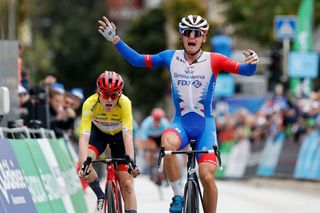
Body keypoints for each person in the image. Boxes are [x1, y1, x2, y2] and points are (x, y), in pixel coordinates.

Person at [98, 14, 259, 213]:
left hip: (204, 127)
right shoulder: (170, 57)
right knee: (168, 145)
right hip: (180, 123)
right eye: (188, 33)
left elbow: (246, 71)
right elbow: (137, 60)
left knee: (207, 177)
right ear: (182, 36)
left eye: (197, 34)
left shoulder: (214, 60)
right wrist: (116, 40)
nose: (193, 37)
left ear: (203, 38)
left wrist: (252, 63)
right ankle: (177, 196)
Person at [78, 71, 140, 213]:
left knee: (128, 185)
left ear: (120, 94)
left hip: (120, 138)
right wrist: (83, 162)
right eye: (106, 95)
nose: (110, 100)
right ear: (98, 92)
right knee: (85, 163)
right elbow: (84, 135)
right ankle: (100, 195)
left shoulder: (125, 103)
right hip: (99, 136)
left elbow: (128, 134)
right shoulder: (89, 103)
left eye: (114, 95)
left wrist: (130, 159)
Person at [136, 108, 169, 181]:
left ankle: (165, 171)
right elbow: (143, 136)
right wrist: (144, 149)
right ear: (153, 118)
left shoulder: (164, 122)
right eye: (156, 119)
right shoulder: (147, 122)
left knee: (166, 149)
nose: (157, 121)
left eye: (159, 120)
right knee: (151, 149)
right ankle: (151, 167)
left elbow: (167, 135)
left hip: (160, 137)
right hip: (151, 137)